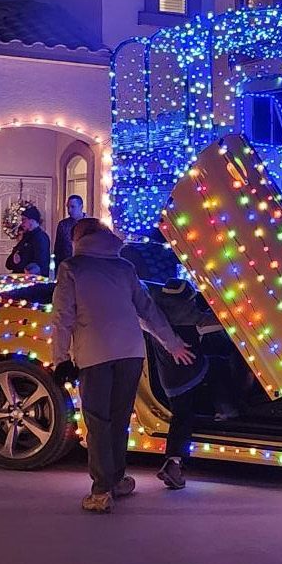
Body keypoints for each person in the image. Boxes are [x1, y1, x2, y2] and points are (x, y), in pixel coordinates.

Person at [49, 217, 192, 512]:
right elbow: (147, 310)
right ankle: (116, 479)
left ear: (78, 239)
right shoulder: (124, 267)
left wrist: (60, 359)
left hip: (94, 352)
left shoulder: (72, 268)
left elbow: (62, 317)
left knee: (98, 421)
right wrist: (172, 343)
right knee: (119, 418)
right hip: (131, 350)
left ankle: (101, 491)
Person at [151, 278, 231, 489]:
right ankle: (225, 409)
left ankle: (174, 462)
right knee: (220, 366)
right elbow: (227, 321)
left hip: (168, 379)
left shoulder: (156, 319)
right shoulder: (195, 319)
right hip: (193, 373)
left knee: (181, 414)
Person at [7, 203, 53, 276]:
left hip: (32, 280)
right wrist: (14, 260)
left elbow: (41, 264)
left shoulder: (41, 238)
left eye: (24, 220)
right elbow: (9, 264)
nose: (22, 223)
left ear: (32, 220)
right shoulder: (26, 237)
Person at [53, 194, 86, 270]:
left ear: (81, 207)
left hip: (84, 266)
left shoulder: (90, 224)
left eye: (73, 207)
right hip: (67, 266)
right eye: (68, 207)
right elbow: (58, 249)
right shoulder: (63, 224)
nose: (69, 210)